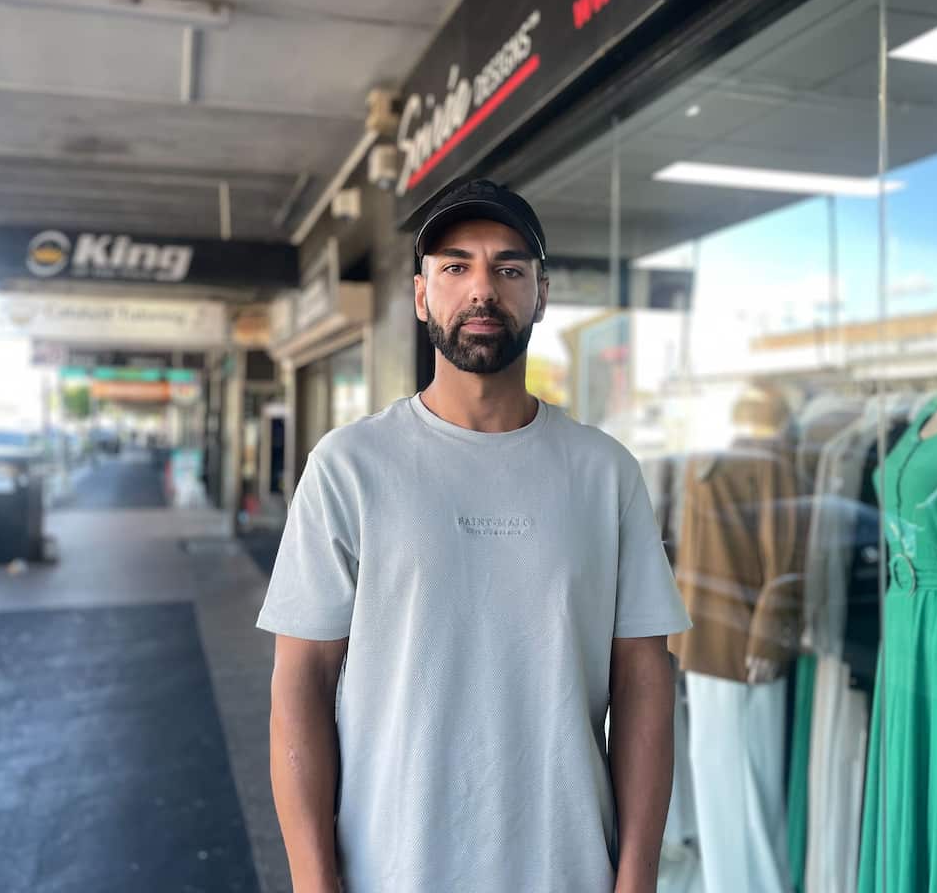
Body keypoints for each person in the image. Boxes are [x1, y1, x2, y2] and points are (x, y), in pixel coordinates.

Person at [257, 178, 692, 893]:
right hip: (389, 868)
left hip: (568, 868)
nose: (482, 289)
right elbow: (300, 681)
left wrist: (637, 875)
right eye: (456, 268)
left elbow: (644, 681)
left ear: (541, 295)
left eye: (509, 269)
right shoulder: (350, 466)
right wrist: (313, 880)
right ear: (422, 296)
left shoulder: (604, 471)